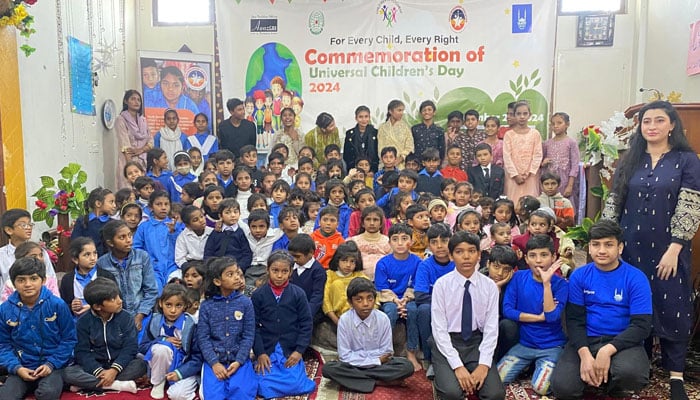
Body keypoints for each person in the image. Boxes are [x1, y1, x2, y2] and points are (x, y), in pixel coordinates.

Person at [603, 101, 700, 400]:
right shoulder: (630, 159)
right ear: (640, 127)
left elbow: (690, 206)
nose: (652, 126)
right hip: (631, 249)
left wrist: (675, 247)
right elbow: (613, 203)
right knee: (636, 306)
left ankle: (675, 377)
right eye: (647, 121)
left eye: (660, 120)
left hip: (669, 249)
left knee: (673, 305)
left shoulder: (686, 160)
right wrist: (608, 244)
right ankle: (639, 365)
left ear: (672, 125)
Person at [550, 220, 653, 399]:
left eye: (609, 244)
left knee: (632, 375)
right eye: (596, 244)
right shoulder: (579, 276)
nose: (602, 250)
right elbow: (574, 320)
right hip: (586, 340)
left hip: (622, 342)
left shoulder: (636, 278)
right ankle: (594, 373)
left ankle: (612, 383)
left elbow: (641, 326)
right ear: (589, 248)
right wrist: (584, 354)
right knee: (563, 388)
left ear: (620, 248)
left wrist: (607, 350)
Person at [429, 231, 505, 400]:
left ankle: (469, 370)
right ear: (450, 255)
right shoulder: (442, 285)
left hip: (475, 342)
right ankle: (440, 372)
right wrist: (457, 367)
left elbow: (491, 329)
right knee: (452, 393)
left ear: (479, 255)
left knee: (495, 394)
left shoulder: (489, 286)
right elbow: (439, 330)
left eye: (471, 251)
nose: (466, 257)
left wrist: (484, 365)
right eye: (459, 252)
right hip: (448, 342)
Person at [497, 235, 568, 396]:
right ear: (526, 258)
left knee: (541, 388)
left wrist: (546, 284)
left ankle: (542, 365)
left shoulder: (561, 285)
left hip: (552, 346)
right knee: (498, 379)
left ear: (553, 257)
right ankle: (530, 365)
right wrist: (537, 318)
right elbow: (508, 310)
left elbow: (551, 316)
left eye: (544, 255)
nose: (538, 261)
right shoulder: (518, 277)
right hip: (525, 345)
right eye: (533, 255)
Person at [0, 258, 77, 400]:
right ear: (13, 283)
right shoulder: (4, 310)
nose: (28, 284)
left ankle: (61, 380)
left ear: (43, 280)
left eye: (33, 278)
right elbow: (2, 345)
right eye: (21, 280)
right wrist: (16, 368)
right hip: (21, 366)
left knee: (48, 394)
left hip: (52, 366)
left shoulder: (57, 305)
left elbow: (69, 339)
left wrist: (51, 364)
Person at [322, 277, 415, 393]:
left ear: (375, 299)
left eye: (369, 298)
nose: (365, 304)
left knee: (407, 367)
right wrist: (376, 360)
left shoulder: (383, 318)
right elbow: (345, 356)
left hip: (375, 365)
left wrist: (364, 359)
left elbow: (387, 352)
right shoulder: (344, 321)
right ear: (351, 302)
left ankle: (358, 380)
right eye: (359, 300)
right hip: (358, 365)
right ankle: (378, 381)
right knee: (328, 369)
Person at [63, 277, 147, 394]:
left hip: (120, 366)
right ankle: (116, 385)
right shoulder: (83, 322)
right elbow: (82, 352)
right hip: (95, 366)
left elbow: (130, 347)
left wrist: (113, 370)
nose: (120, 301)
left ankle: (90, 384)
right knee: (68, 373)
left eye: (118, 296)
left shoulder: (126, 317)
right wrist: (98, 371)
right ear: (98, 306)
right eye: (113, 299)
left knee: (141, 365)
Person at [251, 251, 316, 398]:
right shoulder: (258, 295)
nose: (279, 276)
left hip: (289, 349)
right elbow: (253, 326)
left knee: (297, 384)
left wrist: (299, 351)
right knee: (262, 386)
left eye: (284, 271)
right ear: (267, 270)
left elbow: (306, 323)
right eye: (275, 271)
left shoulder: (298, 293)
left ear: (290, 272)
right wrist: (260, 353)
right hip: (268, 349)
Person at [197, 257, 257, 399]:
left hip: (239, 359)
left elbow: (248, 335)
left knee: (243, 394)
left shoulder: (245, 303)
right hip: (215, 360)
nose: (237, 277)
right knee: (213, 396)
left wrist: (239, 361)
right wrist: (214, 363)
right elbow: (203, 338)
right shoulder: (207, 306)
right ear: (217, 281)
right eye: (230, 274)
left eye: (237, 273)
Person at [140, 283, 202, 400]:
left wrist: (180, 373)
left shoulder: (192, 325)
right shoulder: (154, 321)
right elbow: (142, 347)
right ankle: (158, 382)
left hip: (183, 367)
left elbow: (197, 358)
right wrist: (163, 340)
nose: (173, 310)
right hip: (159, 365)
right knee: (162, 349)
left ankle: (176, 382)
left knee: (178, 396)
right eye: (168, 305)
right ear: (160, 303)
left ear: (185, 306)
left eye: (178, 305)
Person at [375, 223, 422, 371]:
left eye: (404, 238)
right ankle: (386, 351)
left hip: (409, 299)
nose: (400, 243)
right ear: (389, 243)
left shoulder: (418, 262)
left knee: (413, 311)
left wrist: (406, 300)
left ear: (412, 241)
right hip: (389, 299)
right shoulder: (383, 263)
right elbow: (382, 288)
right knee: (390, 312)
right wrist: (396, 301)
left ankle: (411, 352)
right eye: (395, 239)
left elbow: (416, 285)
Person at [96, 220, 159, 331]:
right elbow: (104, 295)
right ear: (110, 243)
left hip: (142, 313)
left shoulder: (142, 257)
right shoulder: (102, 263)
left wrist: (140, 315)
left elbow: (151, 290)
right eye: (122, 237)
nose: (128, 240)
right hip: (115, 316)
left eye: (130, 235)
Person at [414, 223, 455, 377]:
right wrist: (443, 304)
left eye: (444, 241)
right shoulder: (425, 266)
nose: (440, 246)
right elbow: (420, 295)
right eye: (434, 242)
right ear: (428, 245)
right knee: (423, 310)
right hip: (432, 306)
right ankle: (430, 358)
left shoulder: (457, 263)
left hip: (456, 307)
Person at [0, 209, 60, 298]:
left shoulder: (40, 252)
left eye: (30, 224)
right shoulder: (1, 255)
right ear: (9, 230)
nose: (28, 227)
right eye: (23, 225)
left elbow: (51, 279)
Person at [134, 191, 184, 290]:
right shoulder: (144, 227)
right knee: (155, 290)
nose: (163, 207)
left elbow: (182, 246)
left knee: (177, 290)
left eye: (166, 204)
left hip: (173, 266)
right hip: (152, 268)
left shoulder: (177, 225)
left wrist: (173, 232)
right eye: (158, 204)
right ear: (151, 207)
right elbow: (136, 248)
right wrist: (147, 262)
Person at [60, 237, 116, 319]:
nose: (93, 258)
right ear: (75, 259)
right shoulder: (68, 280)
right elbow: (63, 305)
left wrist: (92, 307)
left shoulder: (106, 276)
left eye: (95, 253)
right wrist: (72, 306)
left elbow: (116, 302)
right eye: (87, 255)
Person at [502, 101, 543, 201]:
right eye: (518, 114)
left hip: (530, 177)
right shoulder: (509, 135)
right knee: (513, 202)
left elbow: (537, 155)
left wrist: (529, 172)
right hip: (513, 177)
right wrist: (515, 175)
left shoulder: (535, 134)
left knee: (530, 202)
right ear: (514, 115)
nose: (522, 117)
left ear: (530, 115)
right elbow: (507, 156)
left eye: (525, 113)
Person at [541, 112, 580, 211]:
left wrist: (570, 185)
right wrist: (543, 163)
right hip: (550, 180)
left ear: (567, 124)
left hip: (565, 180)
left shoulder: (571, 142)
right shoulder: (547, 143)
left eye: (559, 123)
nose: (556, 126)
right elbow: (541, 162)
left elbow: (575, 165)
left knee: (564, 206)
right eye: (553, 124)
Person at [115, 89, 153, 188]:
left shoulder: (143, 120)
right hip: (127, 161)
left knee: (142, 191)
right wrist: (131, 168)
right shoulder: (121, 119)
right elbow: (125, 146)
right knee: (128, 191)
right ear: (126, 101)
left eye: (138, 100)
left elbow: (150, 142)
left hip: (142, 162)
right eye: (133, 99)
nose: (136, 102)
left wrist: (140, 150)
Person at [203, 198, 253, 271]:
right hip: (217, 269)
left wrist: (239, 268)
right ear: (220, 216)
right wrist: (212, 267)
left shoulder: (241, 232)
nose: (232, 215)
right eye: (227, 212)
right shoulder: (216, 233)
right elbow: (208, 252)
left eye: (235, 212)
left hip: (236, 268)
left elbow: (247, 254)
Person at [378, 100, 414, 169]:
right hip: (385, 164)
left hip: (401, 165)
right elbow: (380, 147)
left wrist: (400, 159)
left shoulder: (405, 128)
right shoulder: (382, 128)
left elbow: (410, 147)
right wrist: (388, 160)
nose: (401, 113)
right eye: (399, 110)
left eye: (402, 111)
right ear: (390, 111)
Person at [344, 105, 379, 172]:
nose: (364, 120)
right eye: (360, 117)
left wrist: (372, 171)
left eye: (366, 116)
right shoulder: (350, 134)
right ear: (356, 118)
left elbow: (377, 154)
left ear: (369, 117)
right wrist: (354, 170)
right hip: (354, 171)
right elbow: (347, 155)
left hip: (371, 171)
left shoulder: (375, 133)